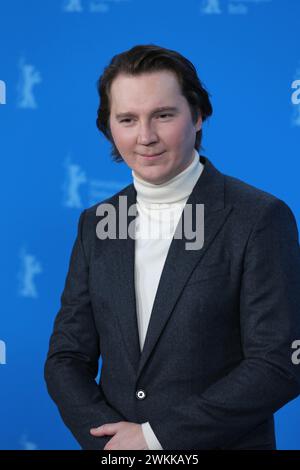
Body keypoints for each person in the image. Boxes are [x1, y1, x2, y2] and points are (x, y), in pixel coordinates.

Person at [44, 44, 300, 450]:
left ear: (198, 116)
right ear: (109, 127)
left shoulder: (259, 218)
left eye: (163, 115)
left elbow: (278, 363)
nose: (145, 137)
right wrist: (111, 441)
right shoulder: (97, 224)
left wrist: (154, 440)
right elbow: (66, 358)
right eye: (127, 119)